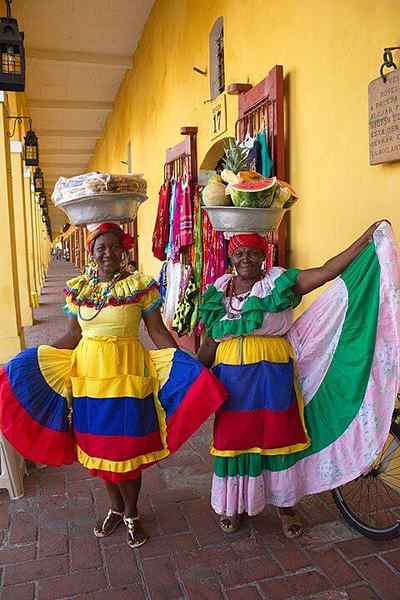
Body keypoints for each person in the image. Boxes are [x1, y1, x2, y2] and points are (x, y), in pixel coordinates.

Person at [0, 222, 226, 549]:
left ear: (124, 251)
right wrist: (34, 357)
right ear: (91, 253)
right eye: (100, 247)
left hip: (128, 375)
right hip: (89, 378)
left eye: (114, 247)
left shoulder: (140, 287)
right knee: (98, 450)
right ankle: (115, 508)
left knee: (127, 451)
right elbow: (72, 336)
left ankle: (132, 513)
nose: (108, 253)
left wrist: (182, 362)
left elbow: (158, 332)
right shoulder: (79, 290)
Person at [197, 221, 400, 537]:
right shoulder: (217, 292)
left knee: (278, 439)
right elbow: (209, 342)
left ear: (263, 256)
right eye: (240, 253)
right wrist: (193, 377)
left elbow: (328, 270)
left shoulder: (279, 284)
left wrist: (365, 238)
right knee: (232, 441)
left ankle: (285, 507)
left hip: (272, 377)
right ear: (231, 257)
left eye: (253, 252)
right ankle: (233, 505)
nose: (246, 259)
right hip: (232, 383)